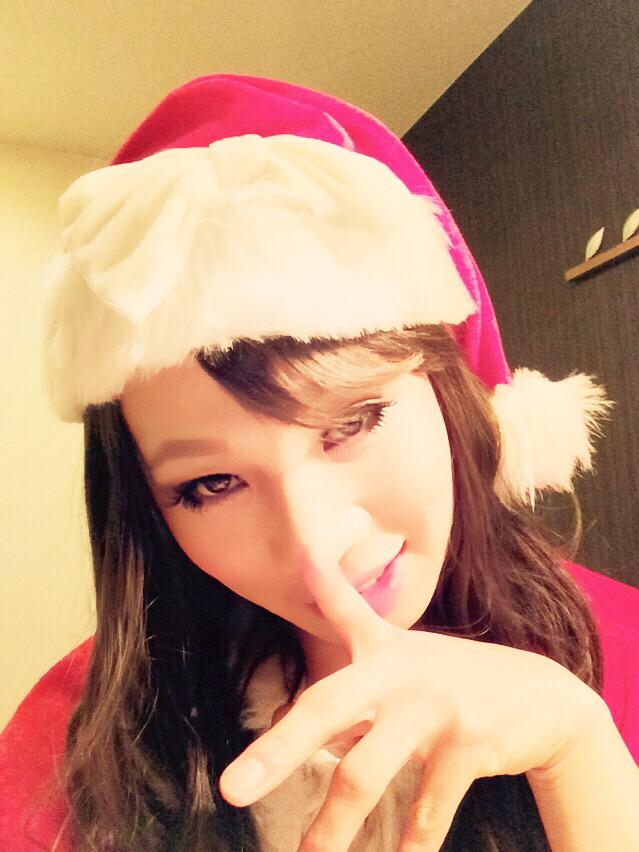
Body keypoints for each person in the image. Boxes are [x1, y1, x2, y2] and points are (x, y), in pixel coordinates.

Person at [1, 73, 638, 852]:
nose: (314, 543)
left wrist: (577, 756)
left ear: (450, 395)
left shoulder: (620, 646)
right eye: (211, 484)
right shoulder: (83, 734)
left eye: (353, 422)